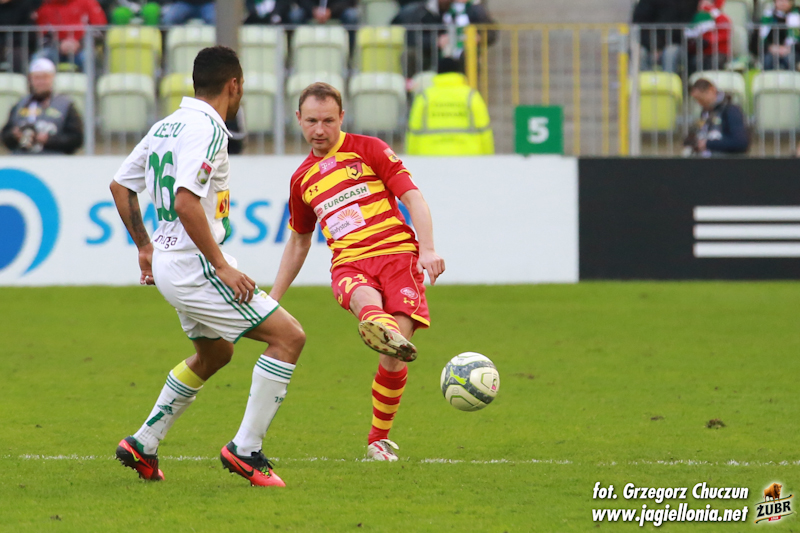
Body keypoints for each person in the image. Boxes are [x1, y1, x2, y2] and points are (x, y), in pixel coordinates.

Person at [110, 46, 306, 487]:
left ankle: (143, 442)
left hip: (170, 262)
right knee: (289, 337)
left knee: (216, 353)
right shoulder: (210, 129)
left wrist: (145, 246)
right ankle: (246, 450)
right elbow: (185, 203)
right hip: (195, 265)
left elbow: (120, 185)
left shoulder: (167, 125)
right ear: (234, 85)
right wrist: (221, 266)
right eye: (242, 87)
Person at [270, 82, 445, 462]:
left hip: (398, 256)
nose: (319, 130)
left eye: (328, 121)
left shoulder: (369, 149)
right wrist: (273, 299)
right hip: (350, 263)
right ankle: (375, 320)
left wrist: (428, 247)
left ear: (342, 117)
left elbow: (412, 197)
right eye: (312, 121)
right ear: (298, 119)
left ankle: (378, 439)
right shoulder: (301, 180)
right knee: (368, 303)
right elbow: (299, 241)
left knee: (394, 354)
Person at [406, 57, 493, 156]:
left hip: (430, 157)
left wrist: (412, 158)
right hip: (468, 157)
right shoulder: (471, 96)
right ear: (458, 73)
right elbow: (484, 132)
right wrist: (487, 157)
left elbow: (413, 132)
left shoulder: (424, 97)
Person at [1, 58, 83, 154]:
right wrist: (14, 135)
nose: (40, 82)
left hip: (55, 158)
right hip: (22, 158)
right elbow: (5, 136)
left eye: (45, 77)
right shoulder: (20, 104)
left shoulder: (65, 105)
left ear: (52, 78)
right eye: (36, 78)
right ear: (30, 80)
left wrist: (49, 140)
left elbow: (77, 139)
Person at [35, 0, 107, 72]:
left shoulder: (88, 3)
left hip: (82, 49)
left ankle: (94, 80)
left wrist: (79, 44)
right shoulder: (45, 7)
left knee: (89, 59)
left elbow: (100, 31)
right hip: (55, 49)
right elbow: (42, 36)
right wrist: (59, 45)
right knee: (38, 60)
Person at [685, 78, 749, 156]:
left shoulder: (731, 110)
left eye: (701, 99)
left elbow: (740, 143)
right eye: (697, 100)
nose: (700, 103)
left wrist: (708, 144)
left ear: (712, 90)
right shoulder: (705, 112)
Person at [632, 0, 698, 73]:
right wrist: (654, 47)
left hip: (680, 45)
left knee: (670, 53)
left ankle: (668, 80)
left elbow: (685, 26)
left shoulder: (687, 3)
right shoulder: (647, 3)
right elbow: (641, 24)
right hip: (650, 45)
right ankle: (643, 79)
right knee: (639, 53)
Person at [685, 0, 731, 74]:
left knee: (713, 62)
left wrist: (708, 40)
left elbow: (724, 35)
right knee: (694, 62)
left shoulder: (722, 18)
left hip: (718, 52)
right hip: (701, 52)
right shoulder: (696, 18)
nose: (703, 5)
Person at [0, 0, 42, 73]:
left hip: (18, 46)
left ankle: (19, 79)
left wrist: (7, 45)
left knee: (18, 57)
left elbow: (29, 33)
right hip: (3, 45)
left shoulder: (24, 6)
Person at [756, 0, 800, 70]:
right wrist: (770, 48)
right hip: (770, 52)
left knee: (789, 59)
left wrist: (790, 48)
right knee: (768, 60)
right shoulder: (766, 17)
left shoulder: (797, 16)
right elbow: (755, 43)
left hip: (793, 51)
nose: (782, 3)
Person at [289, 0, 359, 25]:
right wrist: (313, 10)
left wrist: (331, 11)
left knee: (351, 15)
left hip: (337, 11)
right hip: (310, 10)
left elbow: (349, 1)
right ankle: (293, 49)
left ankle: (351, 50)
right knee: (296, 15)